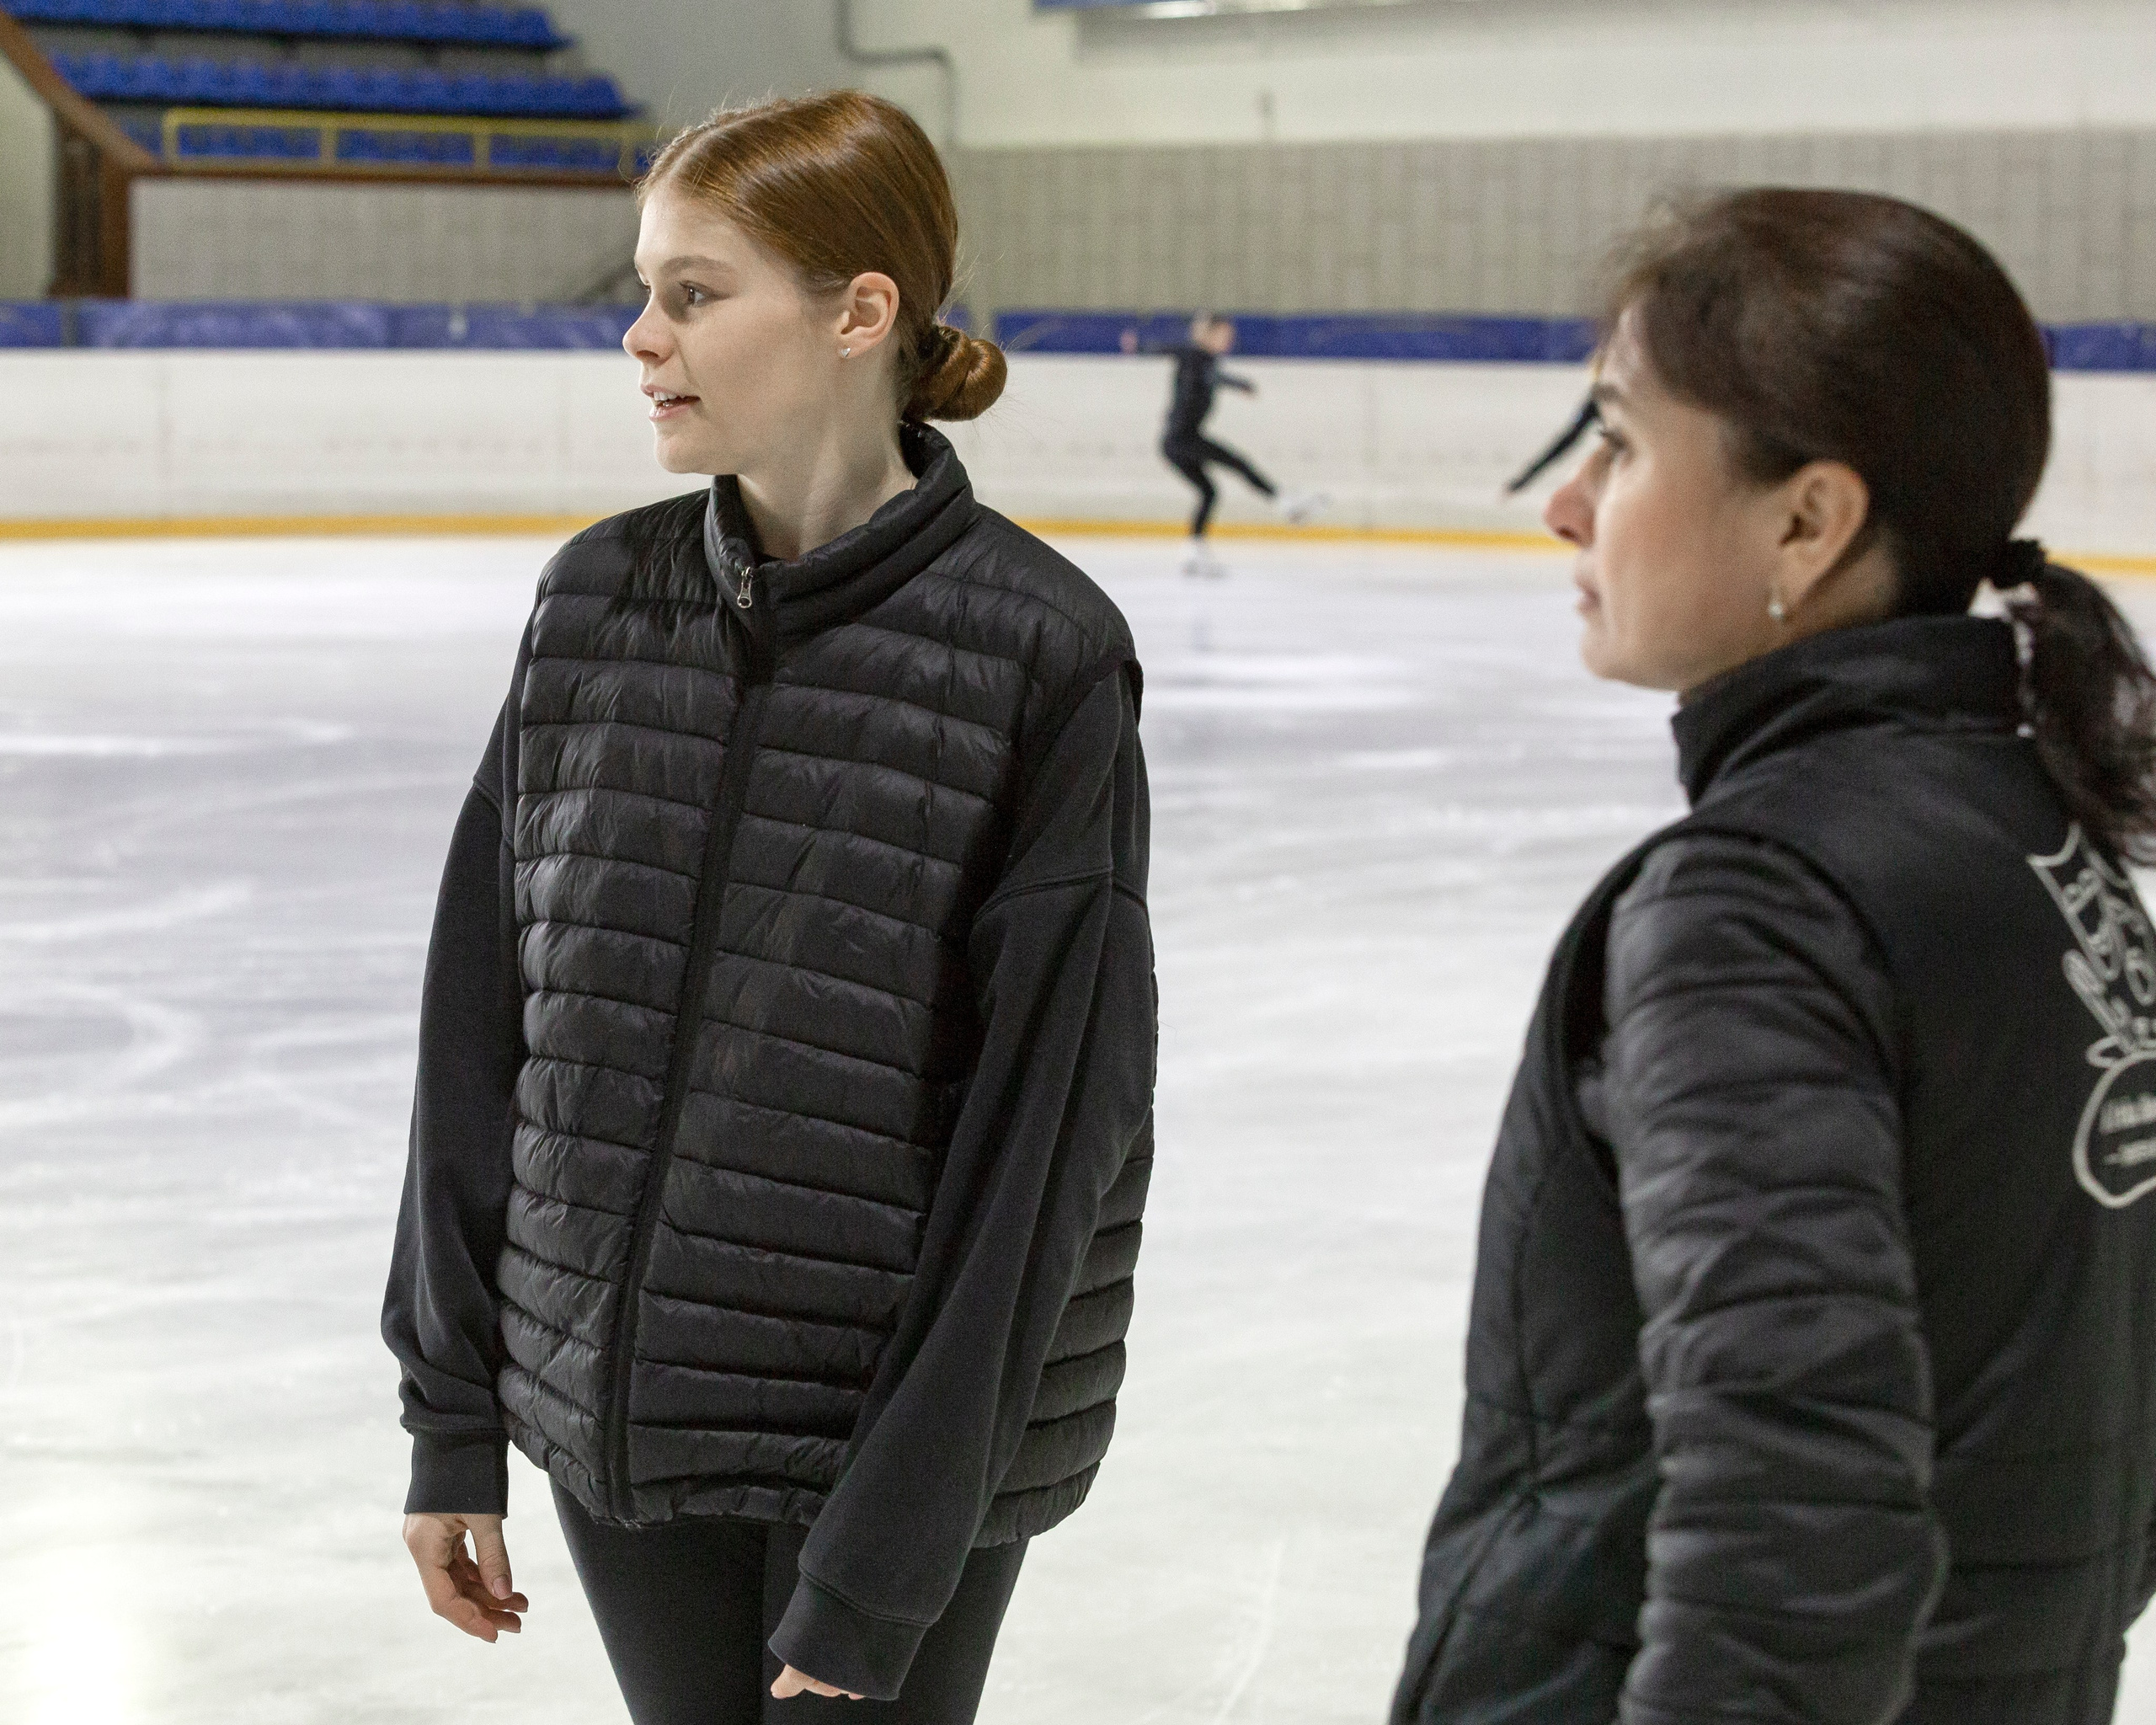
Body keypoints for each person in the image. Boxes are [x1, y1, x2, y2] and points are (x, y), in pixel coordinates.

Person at [382, 90, 1157, 1725]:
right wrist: (452, 1408)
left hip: (878, 1439)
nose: (638, 336)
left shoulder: (1038, 653)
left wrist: (885, 1556)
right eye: (644, 290)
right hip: (620, 1409)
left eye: (691, 292)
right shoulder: (595, 599)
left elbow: (1046, 1146)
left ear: (857, 310)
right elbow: (480, 1022)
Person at [1393, 187, 2156, 1725]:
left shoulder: (1759, 902)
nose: (1566, 503)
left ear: (1806, 521)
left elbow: (1793, 1508)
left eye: (1617, 441)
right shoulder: (2034, 829)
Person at [1123, 313, 1318, 577]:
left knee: (1209, 492)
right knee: (1237, 464)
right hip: (1182, 439)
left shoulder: (1202, 360)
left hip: (1176, 441)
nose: (1230, 340)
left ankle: (1193, 552)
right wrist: (1139, 347)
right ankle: (1282, 501)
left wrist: (1140, 347)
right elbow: (1178, 356)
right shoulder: (1195, 356)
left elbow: (1198, 369)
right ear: (1210, 335)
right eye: (1225, 335)